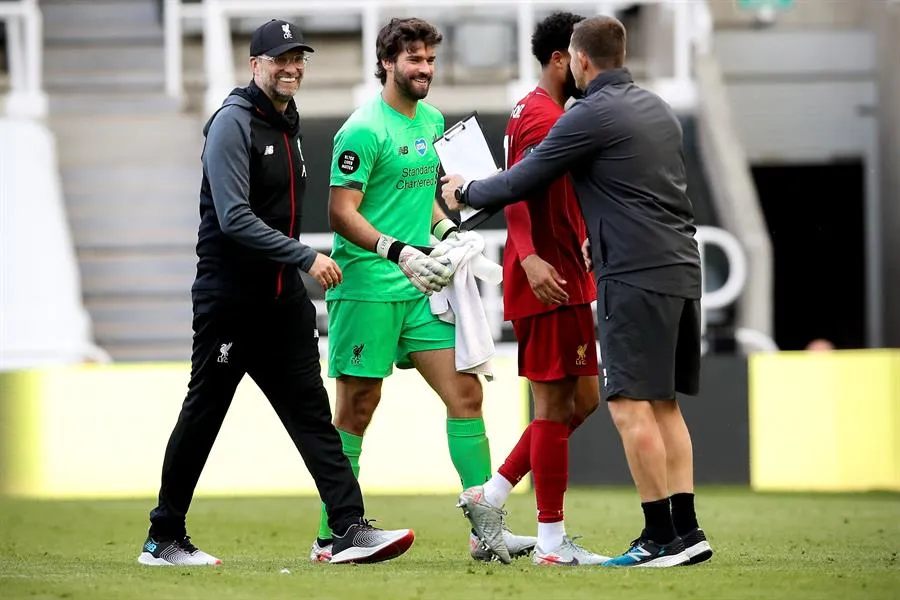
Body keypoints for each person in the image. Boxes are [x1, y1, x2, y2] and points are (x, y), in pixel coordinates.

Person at [138, 19, 415, 567]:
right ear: (255, 64)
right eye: (280, 58)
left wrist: (292, 270)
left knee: (312, 416)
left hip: (281, 300)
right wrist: (304, 256)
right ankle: (163, 538)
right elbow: (234, 217)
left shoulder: (286, 122)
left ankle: (347, 529)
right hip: (232, 302)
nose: (292, 67)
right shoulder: (230, 123)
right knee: (205, 412)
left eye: (299, 58)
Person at [442, 15, 714, 568]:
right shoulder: (658, 108)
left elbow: (519, 181)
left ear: (580, 60)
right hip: (680, 265)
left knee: (623, 407)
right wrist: (534, 251)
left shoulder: (583, 114)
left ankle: (657, 537)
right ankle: (683, 530)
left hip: (625, 273)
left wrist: (466, 189)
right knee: (657, 404)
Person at [311, 17, 535, 565]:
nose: (424, 69)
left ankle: (486, 531)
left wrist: (447, 233)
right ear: (387, 62)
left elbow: (424, 197)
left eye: (430, 60)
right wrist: (396, 250)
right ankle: (330, 537)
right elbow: (341, 214)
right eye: (414, 59)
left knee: (466, 396)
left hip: (421, 291)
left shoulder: (431, 119)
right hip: (366, 289)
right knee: (356, 411)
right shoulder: (362, 129)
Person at [459, 11, 608, 566]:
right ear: (560, 59)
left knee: (583, 400)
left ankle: (491, 496)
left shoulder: (532, 108)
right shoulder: (544, 118)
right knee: (553, 405)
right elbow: (517, 192)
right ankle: (551, 541)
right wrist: (531, 257)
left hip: (564, 274)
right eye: (582, 58)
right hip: (551, 281)